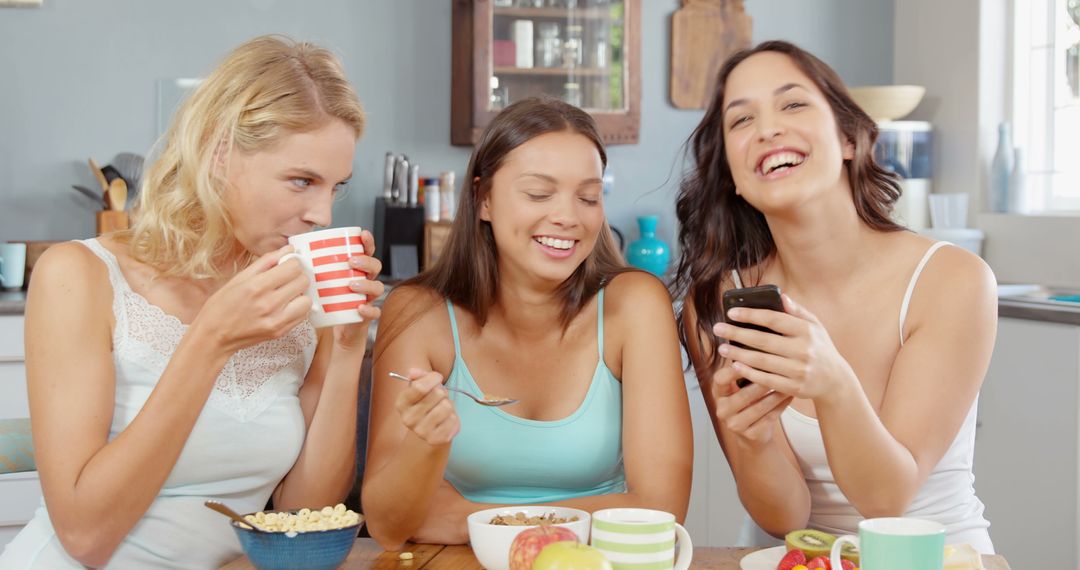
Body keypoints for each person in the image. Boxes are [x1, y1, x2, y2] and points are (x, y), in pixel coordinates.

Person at [0, 35, 384, 568]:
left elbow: (300, 520)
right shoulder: (78, 276)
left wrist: (346, 348)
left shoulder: (297, 297)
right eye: (301, 180)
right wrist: (210, 342)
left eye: (335, 186)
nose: (321, 213)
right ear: (219, 151)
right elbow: (85, 536)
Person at [673, 41, 996, 553]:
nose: (768, 129)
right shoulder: (719, 303)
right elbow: (784, 516)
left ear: (849, 138)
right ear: (732, 176)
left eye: (793, 104)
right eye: (741, 121)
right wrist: (753, 441)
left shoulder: (952, 280)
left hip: (931, 559)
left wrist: (832, 382)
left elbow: (885, 498)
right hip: (798, 560)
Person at [362, 97, 693, 549]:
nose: (568, 216)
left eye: (589, 197)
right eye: (539, 193)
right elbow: (388, 525)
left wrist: (470, 521)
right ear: (483, 200)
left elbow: (660, 508)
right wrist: (424, 443)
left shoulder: (634, 305)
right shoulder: (418, 313)